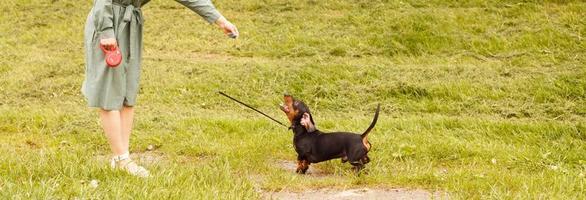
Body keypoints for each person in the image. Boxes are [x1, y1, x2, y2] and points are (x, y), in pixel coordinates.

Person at [82, 0, 238, 177]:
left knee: (128, 92)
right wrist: (106, 31)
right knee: (109, 93)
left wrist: (219, 19)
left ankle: (123, 158)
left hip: (131, 24)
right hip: (107, 23)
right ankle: (121, 159)